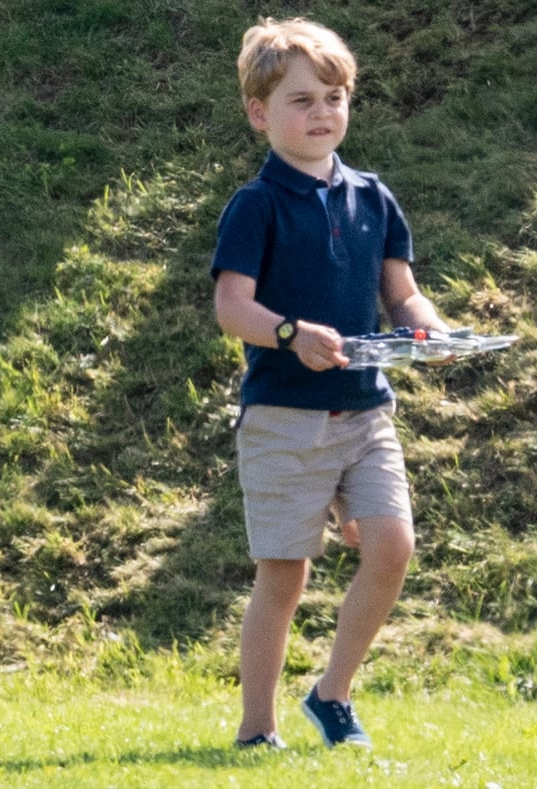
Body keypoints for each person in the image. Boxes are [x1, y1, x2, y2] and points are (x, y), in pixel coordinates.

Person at [211, 17, 450, 750]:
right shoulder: (256, 205)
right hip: (284, 416)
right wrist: (290, 333)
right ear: (260, 112)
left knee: (392, 546)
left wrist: (430, 327)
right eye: (302, 100)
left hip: (366, 409)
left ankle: (332, 693)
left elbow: (402, 293)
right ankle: (258, 731)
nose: (322, 114)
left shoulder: (373, 196)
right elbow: (232, 308)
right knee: (284, 578)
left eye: (335, 98)